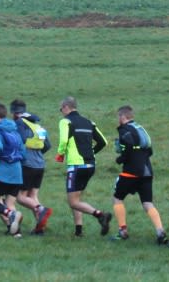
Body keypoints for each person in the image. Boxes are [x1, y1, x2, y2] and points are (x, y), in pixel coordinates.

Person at [56, 96, 111, 236]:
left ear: (66, 107)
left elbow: (63, 140)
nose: (61, 112)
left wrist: (60, 154)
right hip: (90, 165)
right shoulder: (89, 122)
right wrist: (92, 153)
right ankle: (78, 231)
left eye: (61, 109)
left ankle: (100, 215)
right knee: (76, 198)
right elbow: (103, 142)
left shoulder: (65, 121)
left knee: (73, 202)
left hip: (76, 166)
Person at [111, 105, 167, 243]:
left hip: (131, 172)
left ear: (123, 117)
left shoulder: (124, 130)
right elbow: (150, 150)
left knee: (117, 198)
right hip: (147, 171)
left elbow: (128, 148)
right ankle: (160, 232)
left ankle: (123, 231)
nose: (118, 119)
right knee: (147, 203)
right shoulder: (140, 129)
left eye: (119, 116)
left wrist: (121, 159)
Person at [11, 99, 53, 235]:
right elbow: (48, 145)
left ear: (14, 112)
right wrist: (37, 154)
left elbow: (22, 139)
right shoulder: (36, 125)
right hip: (40, 165)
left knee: (20, 197)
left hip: (27, 165)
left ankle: (41, 209)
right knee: (33, 195)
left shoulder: (19, 123)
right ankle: (40, 228)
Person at [0, 103, 26, 237]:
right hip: (17, 172)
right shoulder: (14, 129)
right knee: (10, 203)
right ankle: (16, 233)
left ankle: (11, 214)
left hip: (3, 172)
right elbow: (23, 151)